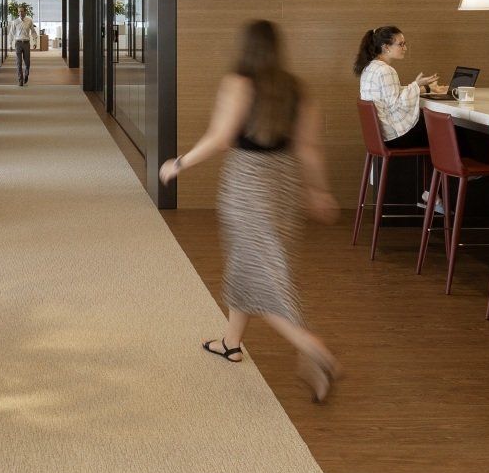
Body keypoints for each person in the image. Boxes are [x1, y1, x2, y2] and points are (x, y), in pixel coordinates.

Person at [161, 20, 340, 402]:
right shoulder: (295, 88)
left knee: (260, 272)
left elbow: (221, 137)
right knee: (252, 263)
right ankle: (230, 342)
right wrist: (318, 190)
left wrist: (179, 163)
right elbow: (309, 148)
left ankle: (312, 349)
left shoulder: (239, 82)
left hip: (249, 183)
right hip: (285, 183)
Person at [354, 25, 438, 149]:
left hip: (379, 134)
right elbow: (396, 105)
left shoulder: (370, 67)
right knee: (450, 130)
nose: (405, 48)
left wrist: (426, 88)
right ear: (386, 47)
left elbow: (391, 94)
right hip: (393, 135)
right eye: (401, 44)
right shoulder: (386, 70)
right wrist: (416, 84)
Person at [7, 11, 37, 86]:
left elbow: (33, 32)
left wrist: (35, 42)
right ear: (18, 13)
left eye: (22, 11)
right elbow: (11, 33)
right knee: (18, 63)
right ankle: (20, 80)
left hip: (26, 43)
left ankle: (26, 75)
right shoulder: (15, 22)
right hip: (18, 43)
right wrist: (10, 45)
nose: (21, 13)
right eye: (19, 12)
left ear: (25, 12)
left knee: (27, 62)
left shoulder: (29, 20)